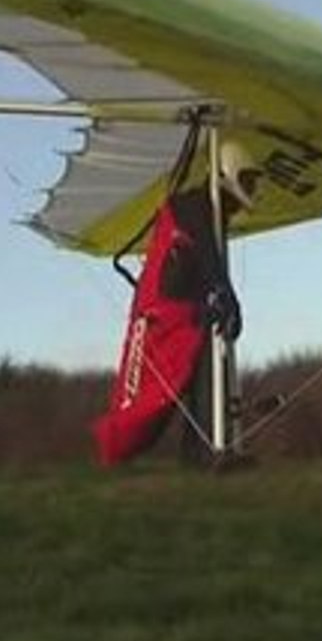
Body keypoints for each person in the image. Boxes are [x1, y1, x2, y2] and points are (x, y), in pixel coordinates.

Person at [93, 141, 263, 467]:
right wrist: (222, 292)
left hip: (188, 314)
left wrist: (225, 297)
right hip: (160, 316)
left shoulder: (213, 214)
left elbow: (209, 260)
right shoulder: (191, 205)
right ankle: (114, 445)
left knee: (209, 373)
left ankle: (207, 452)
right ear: (229, 177)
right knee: (149, 402)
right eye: (248, 181)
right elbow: (206, 256)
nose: (252, 190)